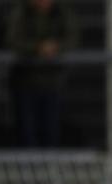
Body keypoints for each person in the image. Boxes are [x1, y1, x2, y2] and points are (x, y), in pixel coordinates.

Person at [6, 0, 79, 147]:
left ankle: (50, 167)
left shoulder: (61, 12)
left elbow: (73, 37)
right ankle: (28, 168)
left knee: (51, 130)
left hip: (53, 81)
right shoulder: (21, 12)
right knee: (27, 131)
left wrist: (56, 47)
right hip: (25, 81)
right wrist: (37, 48)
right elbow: (13, 39)